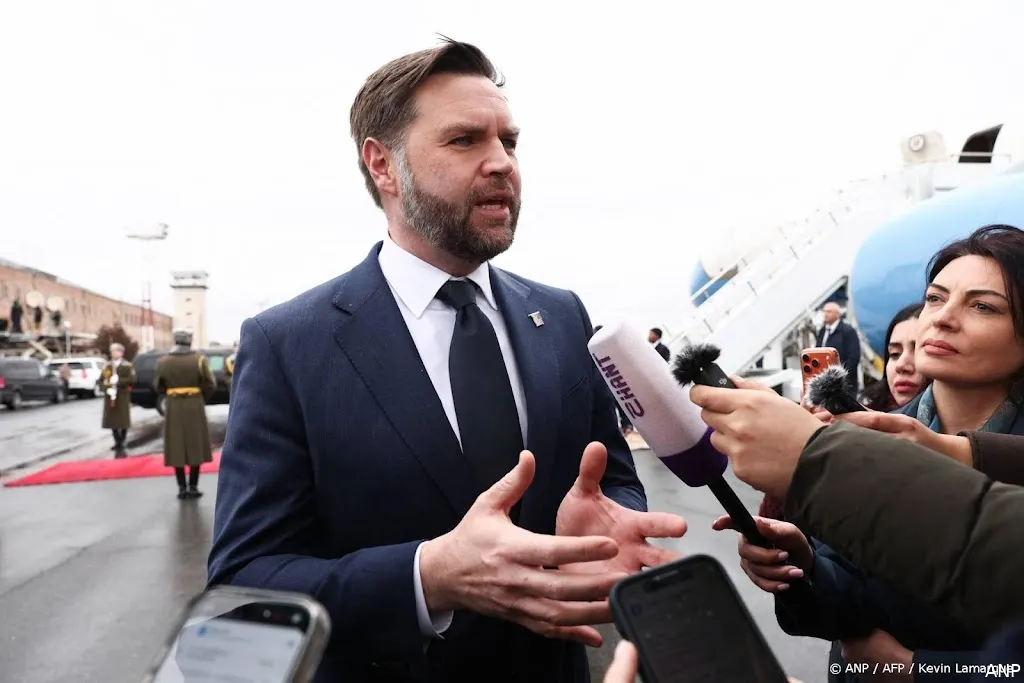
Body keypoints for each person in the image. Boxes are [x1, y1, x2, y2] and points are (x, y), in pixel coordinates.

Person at [207, 39, 686, 683]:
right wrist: (427, 577)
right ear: (383, 165)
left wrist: (604, 522)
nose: (501, 163)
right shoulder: (288, 344)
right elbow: (245, 583)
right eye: (465, 140)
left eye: (509, 142)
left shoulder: (562, 314)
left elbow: (612, 475)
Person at [155, 329, 217, 500]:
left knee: (176, 445)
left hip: (174, 405)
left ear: (175, 341)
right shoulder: (199, 360)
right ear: (189, 341)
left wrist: (171, 393)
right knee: (195, 443)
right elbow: (210, 383)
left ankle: (182, 488)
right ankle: (193, 486)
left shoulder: (163, 361)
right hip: (194, 404)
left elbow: (158, 385)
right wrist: (199, 396)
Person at [100, 343, 134, 451]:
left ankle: (122, 440)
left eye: (115, 351)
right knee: (112, 420)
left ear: (121, 353)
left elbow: (132, 380)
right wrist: (107, 388)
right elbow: (101, 380)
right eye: (112, 351)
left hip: (122, 395)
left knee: (123, 419)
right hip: (110, 396)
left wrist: (119, 381)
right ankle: (116, 441)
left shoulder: (127, 366)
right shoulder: (107, 366)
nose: (113, 353)